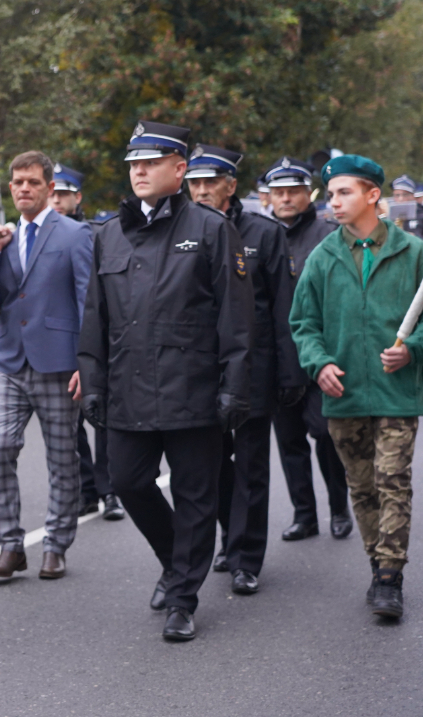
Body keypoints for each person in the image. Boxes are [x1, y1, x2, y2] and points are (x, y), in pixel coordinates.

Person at [78, 121, 252, 642]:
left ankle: (182, 599)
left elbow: (236, 318)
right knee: (129, 482)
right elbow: (96, 318)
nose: (139, 171)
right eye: (134, 163)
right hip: (128, 387)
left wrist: (234, 387)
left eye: (150, 162)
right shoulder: (109, 233)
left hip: (193, 387)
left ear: (180, 169)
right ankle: (177, 563)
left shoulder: (211, 228)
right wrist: (93, 383)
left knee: (196, 495)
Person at [289, 154, 423, 620]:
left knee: (393, 482)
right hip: (343, 394)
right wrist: (319, 363)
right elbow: (303, 323)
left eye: (344, 192)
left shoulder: (412, 252)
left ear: (373, 195)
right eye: (330, 195)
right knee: (363, 488)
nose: (334, 202)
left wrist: (413, 349)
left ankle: (390, 576)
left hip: (396, 391)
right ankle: (376, 563)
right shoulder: (322, 257)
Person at [186, 145, 303, 595]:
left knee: (251, 466)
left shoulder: (263, 233)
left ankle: (246, 557)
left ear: (230, 186)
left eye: (209, 182)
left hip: (254, 367)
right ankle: (228, 537)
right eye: (194, 183)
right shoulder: (182, 230)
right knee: (212, 465)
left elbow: (282, 309)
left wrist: (290, 373)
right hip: (202, 368)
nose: (201, 190)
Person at [0, 150, 93, 581]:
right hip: (8, 361)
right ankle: (10, 545)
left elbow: (87, 301)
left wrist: (86, 362)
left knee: (62, 458)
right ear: (10, 188)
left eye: (33, 182)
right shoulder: (1, 237)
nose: (25, 188)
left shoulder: (75, 235)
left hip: (59, 363)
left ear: (49, 188)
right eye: (18, 182)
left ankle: (56, 545)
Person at [265, 157, 351, 541]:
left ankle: (339, 506)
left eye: (292, 191)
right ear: (268, 197)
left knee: (326, 435)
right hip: (277, 358)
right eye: (278, 192)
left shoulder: (329, 235)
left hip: (319, 355)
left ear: (308, 193)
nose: (285, 198)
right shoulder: (260, 236)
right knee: (289, 442)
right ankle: (305, 516)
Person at [51, 163, 124, 522]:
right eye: (53, 194)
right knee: (71, 427)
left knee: (101, 418)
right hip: (60, 344)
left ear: (77, 197)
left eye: (64, 194)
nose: (57, 200)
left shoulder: (95, 233)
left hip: (93, 339)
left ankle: (110, 492)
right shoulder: (39, 235)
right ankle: (88, 490)